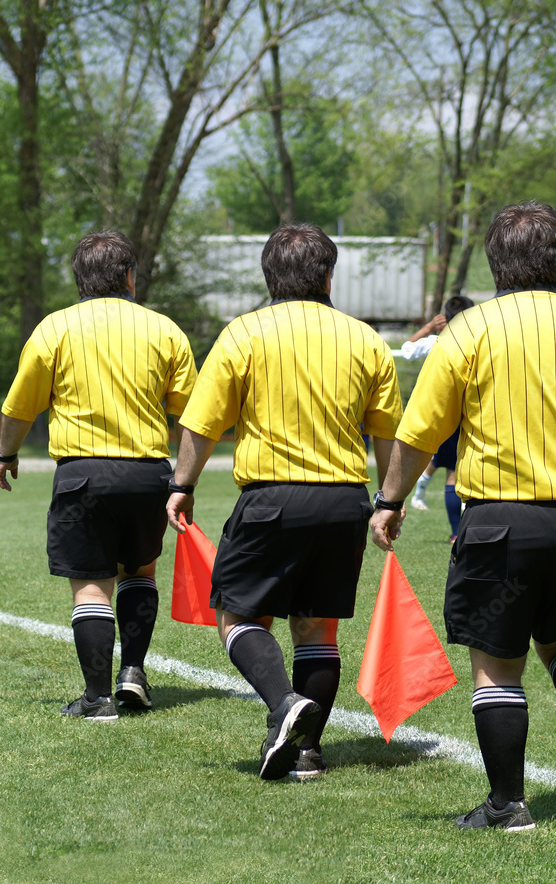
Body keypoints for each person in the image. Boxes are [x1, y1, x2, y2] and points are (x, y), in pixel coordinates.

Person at [370, 201, 556, 831]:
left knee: (497, 664)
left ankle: (508, 804)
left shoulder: (466, 334)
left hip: (499, 524)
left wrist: (389, 501)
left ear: (496, 265)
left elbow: (420, 435)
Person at [166, 223, 402, 781]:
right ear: (327, 275)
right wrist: (390, 498)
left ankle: (282, 704)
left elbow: (201, 425)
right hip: (345, 501)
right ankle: (307, 754)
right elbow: (389, 434)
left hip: (271, 498)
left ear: (269, 275)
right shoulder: (365, 339)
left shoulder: (242, 334)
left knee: (237, 615)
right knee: (317, 630)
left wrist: (181, 485)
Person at [0, 230, 198, 721]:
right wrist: (183, 482)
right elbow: (192, 414)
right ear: (129, 276)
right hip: (149, 474)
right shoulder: (165, 330)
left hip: (83, 476)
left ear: (78, 279)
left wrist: (6, 453)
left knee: (91, 587)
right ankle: (133, 672)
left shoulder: (53, 329)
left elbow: (21, 407)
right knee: (140, 572)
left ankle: (97, 698)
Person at [403, 296, 475, 543]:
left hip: (443, 413)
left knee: (451, 471)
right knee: (462, 471)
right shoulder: (478, 341)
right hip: (473, 413)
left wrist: (428, 329)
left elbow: (406, 350)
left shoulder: (437, 341)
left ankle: (457, 532)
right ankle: (462, 531)